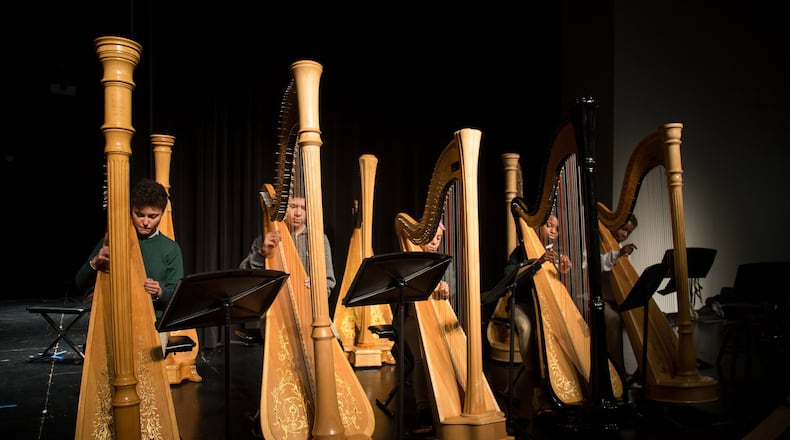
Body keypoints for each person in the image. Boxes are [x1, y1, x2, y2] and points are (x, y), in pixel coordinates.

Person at [75, 178, 184, 353]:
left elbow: (176, 294)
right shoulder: (113, 240)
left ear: (162, 214)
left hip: (152, 324)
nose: (145, 222)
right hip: (112, 323)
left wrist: (159, 291)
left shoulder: (170, 248)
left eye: (152, 216)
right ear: (131, 211)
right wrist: (94, 263)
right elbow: (79, 284)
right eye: (139, 215)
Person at [238, 195, 337, 338]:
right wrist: (262, 253)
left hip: (311, 314)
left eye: (303, 208)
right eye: (293, 207)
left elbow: (329, 281)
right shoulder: (266, 239)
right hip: (276, 313)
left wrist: (317, 286)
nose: (298, 213)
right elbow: (245, 275)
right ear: (283, 209)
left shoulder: (318, 239)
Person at [505, 214, 570, 418]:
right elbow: (510, 277)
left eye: (556, 229)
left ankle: (561, 381)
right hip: (521, 304)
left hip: (546, 307)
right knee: (526, 328)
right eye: (549, 226)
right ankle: (536, 387)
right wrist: (536, 263)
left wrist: (566, 271)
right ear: (536, 227)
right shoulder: (520, 252)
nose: (553, 231)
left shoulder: (559, 254)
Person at [400, 221, 450, 436]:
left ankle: (445, 399)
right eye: (431, 238)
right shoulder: (408, 260)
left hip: (436, 316)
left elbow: (452, 284)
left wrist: (448, 287)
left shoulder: (441, 261)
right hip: (411, 319)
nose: (434, 243)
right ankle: (424, 409)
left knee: (450, 348)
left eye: (438, 238)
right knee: (422, 355)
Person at [600, 213, 638, 376]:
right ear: (614, 224)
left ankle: (642, 368)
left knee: (638, 316)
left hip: (615, 299)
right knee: (614, 319)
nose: (624, 234)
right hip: (597, 298)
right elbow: (597, 264)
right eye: (623, 229)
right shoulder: (599, 242)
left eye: (628, 232)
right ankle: (617, 370)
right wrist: (618, 253)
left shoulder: (619, 247)